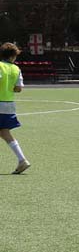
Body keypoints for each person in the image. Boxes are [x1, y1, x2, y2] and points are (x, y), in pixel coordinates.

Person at [0, 42, 31, 175]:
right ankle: (22, 159)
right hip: (9, 105)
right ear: (13, 56)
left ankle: (22, 160)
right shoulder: (16, 69)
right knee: (4, 132)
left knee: (4, 132)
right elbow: (18, 88)